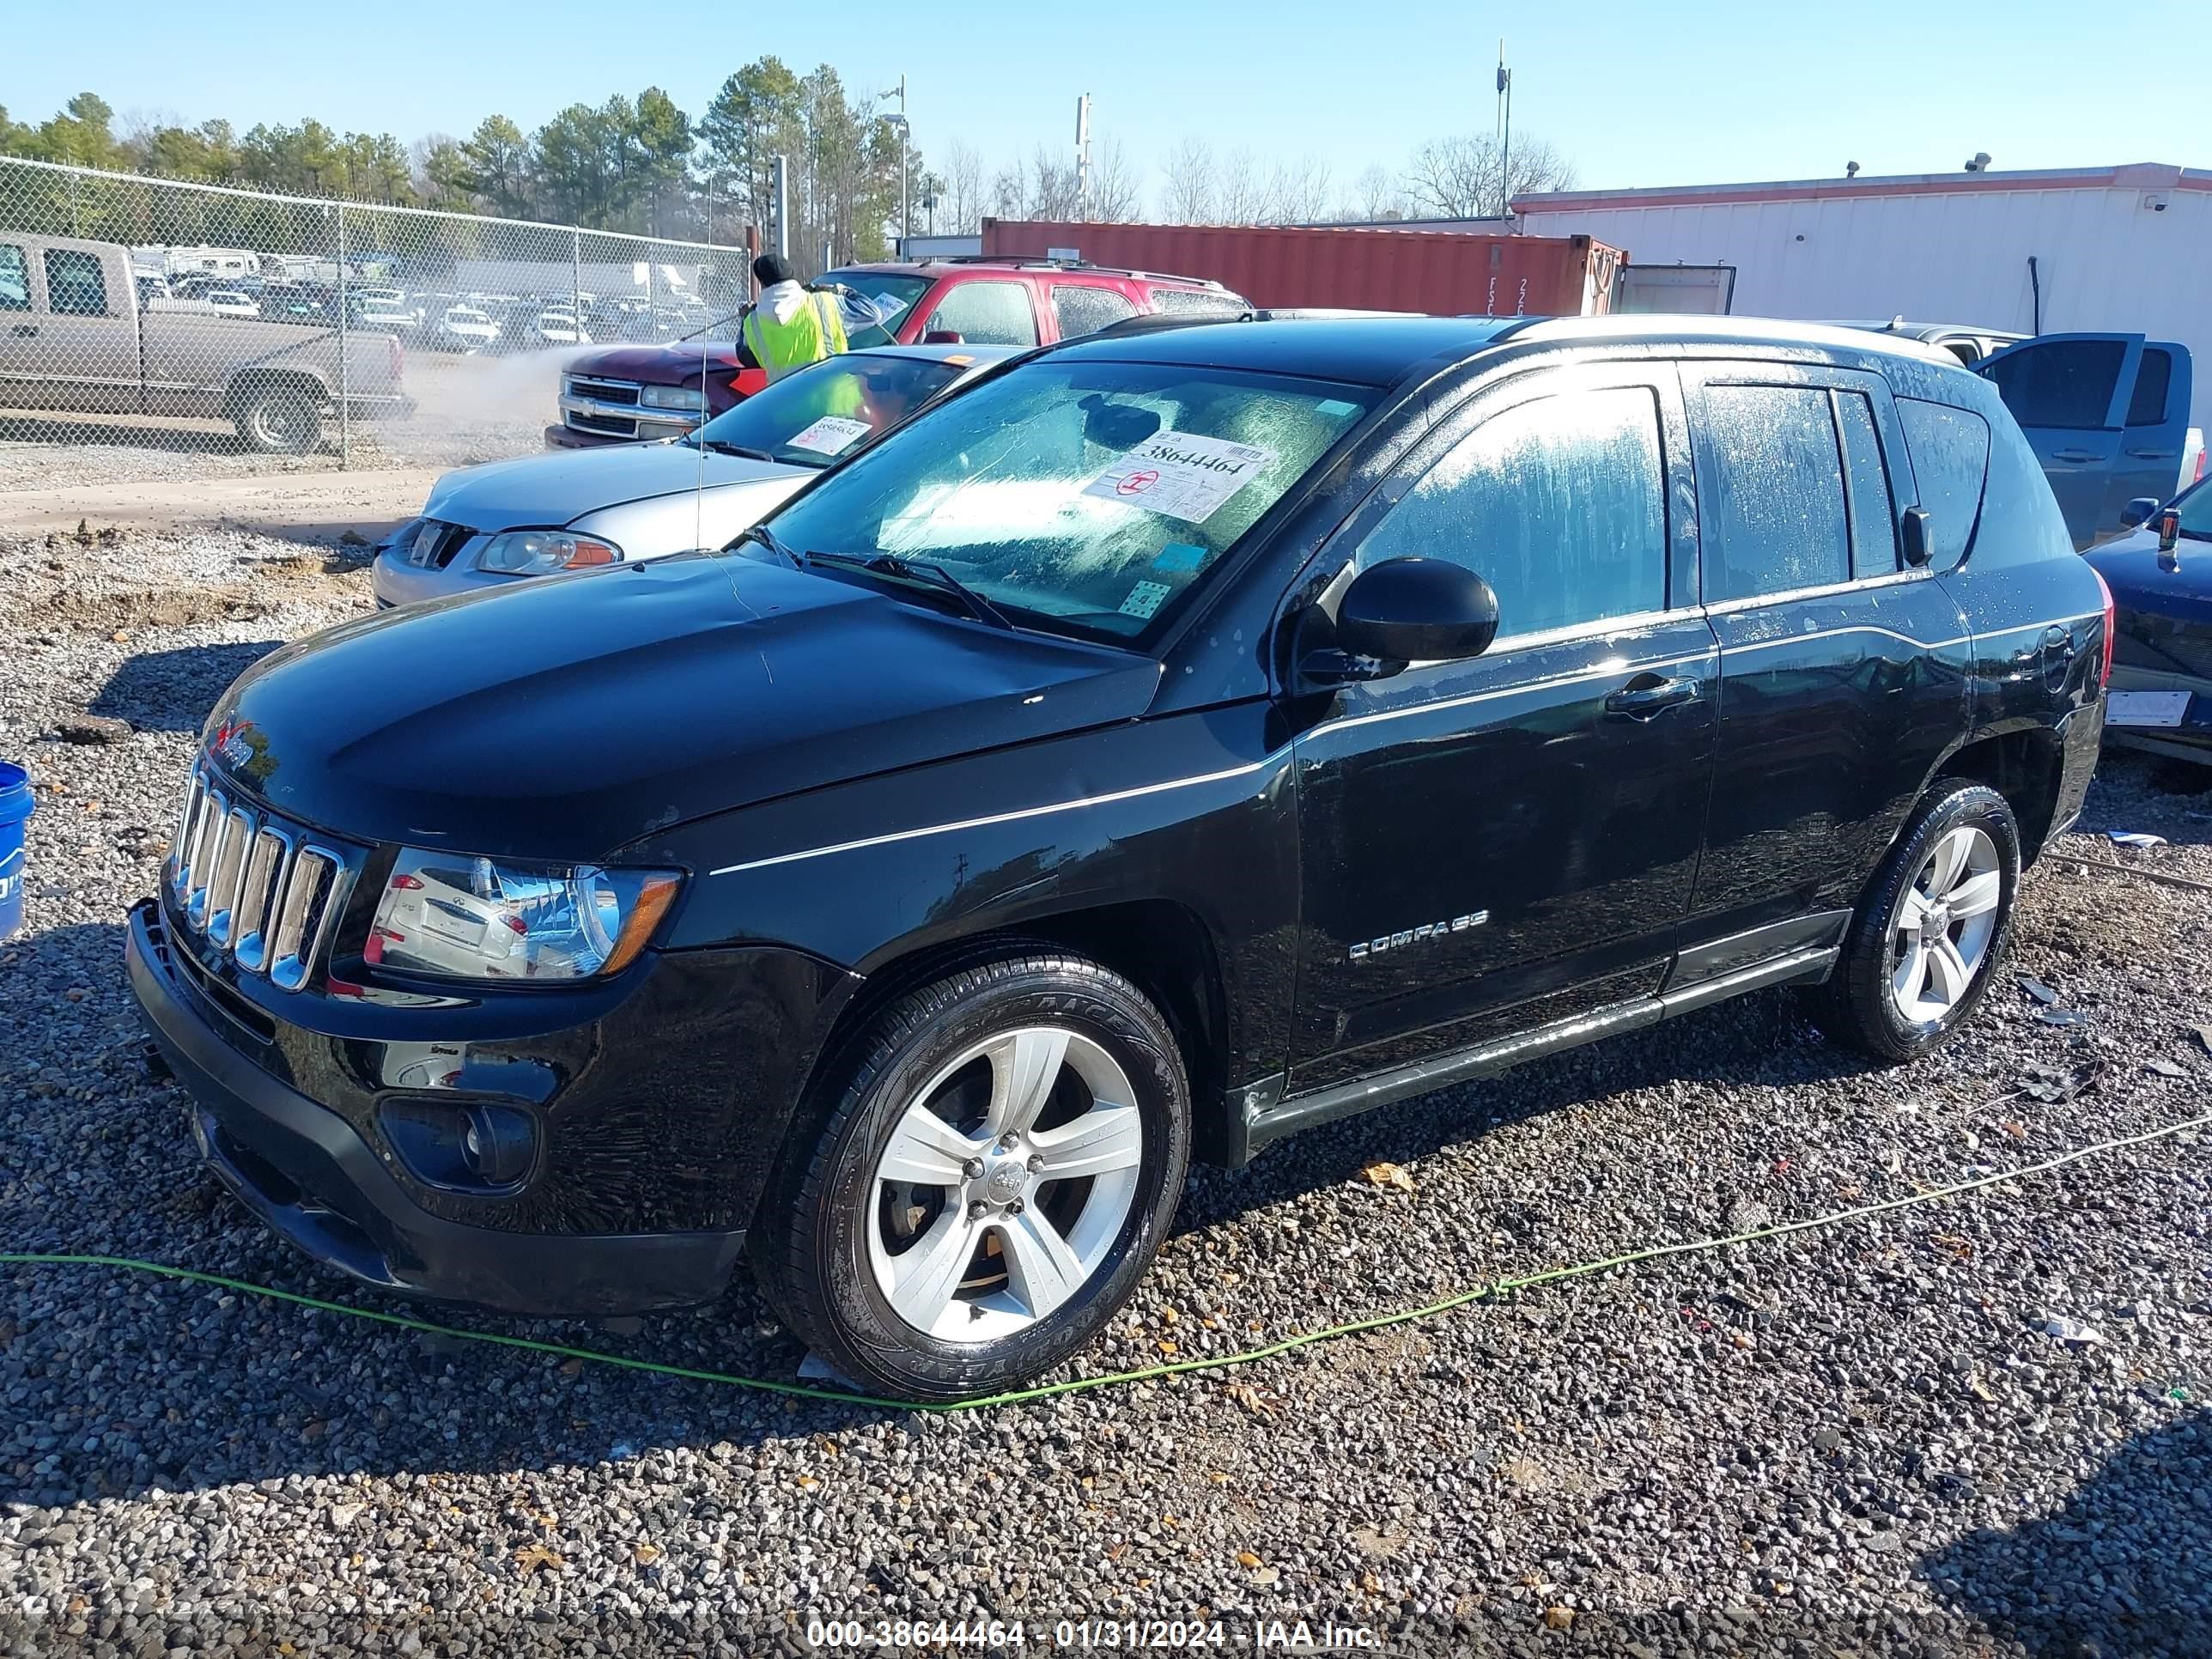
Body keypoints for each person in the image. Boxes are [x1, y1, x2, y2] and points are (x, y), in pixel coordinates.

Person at [742, 253, 849, 384]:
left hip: (789, 401)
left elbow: (746, 357)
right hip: (834, 397)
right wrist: (839, 290)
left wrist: (744, 319)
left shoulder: (753, 322)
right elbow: (874, 313)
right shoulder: (824, 302)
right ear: (792, 275)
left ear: (762, 282)